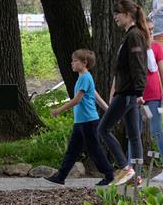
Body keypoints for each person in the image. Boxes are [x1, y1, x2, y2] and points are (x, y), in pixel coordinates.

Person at [45, 49, 116, 186]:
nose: (72, 63)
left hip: (88, 121)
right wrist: (108, 109)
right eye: (72, 60)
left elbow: (77, 100)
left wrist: (58, 110)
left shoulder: (85, 78)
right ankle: (61, 176)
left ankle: (109, 174)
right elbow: (95, 95)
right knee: (73, 149)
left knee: (94, 149)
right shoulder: (84, 77)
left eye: (75, 61)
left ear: (85, 63)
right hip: (81, 121)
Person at [99, 0, 149, 186]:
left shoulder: (134, 35)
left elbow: (138, 66)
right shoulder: (131, 35)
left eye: (117, 14)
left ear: (128, 15)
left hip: (128, 93)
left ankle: (126, 168)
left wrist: (138, 92)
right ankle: (136, 176)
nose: (115, 18)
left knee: (103, 129)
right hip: (128, 92)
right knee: (134, 135)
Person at [142, 17, 163, 182]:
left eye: (153, 29)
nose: (151, 32)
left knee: (156, 130)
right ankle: (134, 168)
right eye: (149, 29)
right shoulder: (135, 47)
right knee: (135, 131)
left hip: (153, 95)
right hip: (137, 96)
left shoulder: (156, 47)